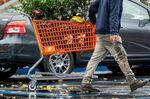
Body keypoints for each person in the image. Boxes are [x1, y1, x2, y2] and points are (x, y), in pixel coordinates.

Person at [81, 0, 148, 92]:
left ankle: (86, 82)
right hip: (109, 32)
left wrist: (94, 20)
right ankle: (132, 81)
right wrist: (114, 32)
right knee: (121, 57)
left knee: (95, 58)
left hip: (100, 32)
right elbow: (114, 14)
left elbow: (92, 7)